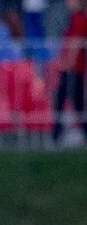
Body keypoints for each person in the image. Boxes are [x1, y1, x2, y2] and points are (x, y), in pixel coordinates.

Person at [53, 0, 86, 145]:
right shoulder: (73, 18)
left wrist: (68, 64)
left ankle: (56, 135)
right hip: (70, 68)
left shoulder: (79, 19)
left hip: (73, 69)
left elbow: (76, 45)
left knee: (72, 101)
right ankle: (57, 134)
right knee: (71, 102)